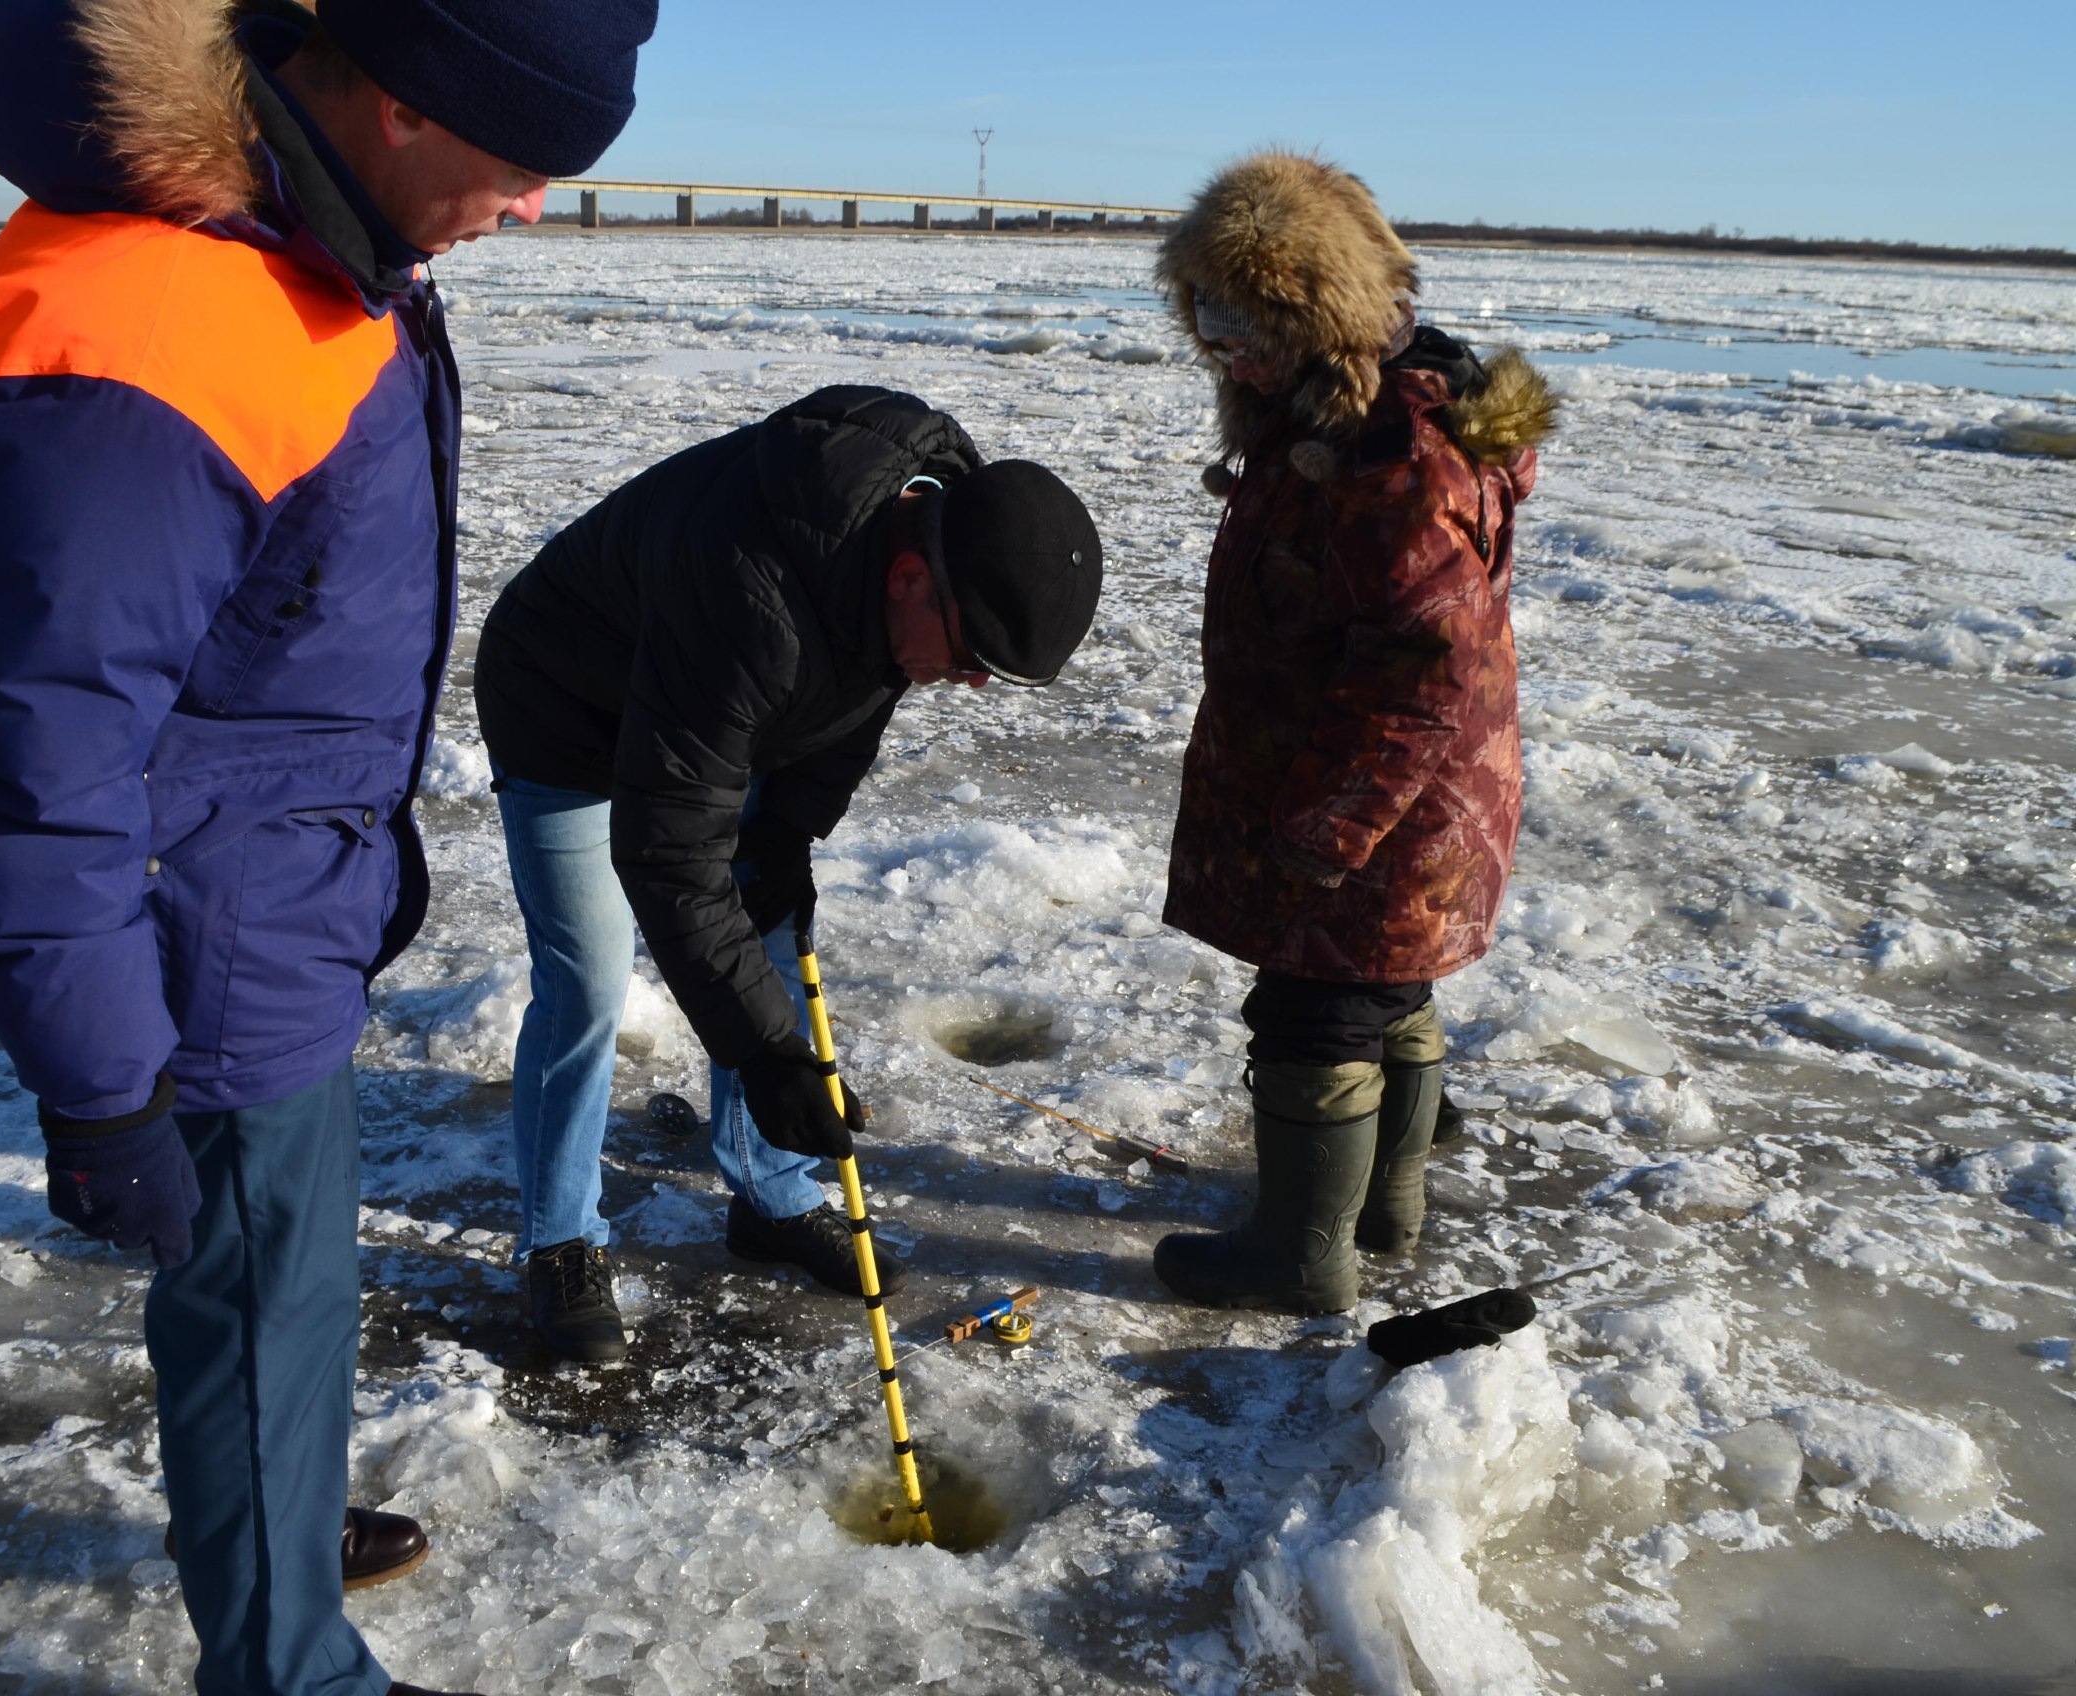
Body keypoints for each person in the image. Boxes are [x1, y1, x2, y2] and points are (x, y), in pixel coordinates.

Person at [0, 1, 653, 1692]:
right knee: (264, 1315)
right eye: (526, 163)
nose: (533, 205)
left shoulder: (308, 250)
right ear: (398, 102)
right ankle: (287, 1662)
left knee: (286, 1310)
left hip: (270, 905)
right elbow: (36, 756)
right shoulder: (156, 319)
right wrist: (105, 1087)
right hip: (201, 960)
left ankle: (273, 1531)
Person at [474, 385, 1105, 1362]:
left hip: (713, 711)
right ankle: (560, 1241)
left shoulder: (938, 520)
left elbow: (861, 688)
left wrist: (790, 834)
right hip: (564, 709)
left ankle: (768, 1192)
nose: (973, 681)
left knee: (764, 928)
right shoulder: (750, 591)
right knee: (589, 982)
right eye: (975, 655)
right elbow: (668, 848)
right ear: (906, 577)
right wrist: (771, 1057)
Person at [1148, 151, 1555, 1315]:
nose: (1221, 343)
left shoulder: (1392, 458)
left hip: (1382, 794)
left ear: (1318, 311)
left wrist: (1331, 826)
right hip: (1409, 794)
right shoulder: (1330, 416)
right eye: (1202, 312)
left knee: (1314, 1007)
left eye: (1243, 314)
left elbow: (1421, 668)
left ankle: (1299, 1253)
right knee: (1392, 988)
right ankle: (1381, 1204)